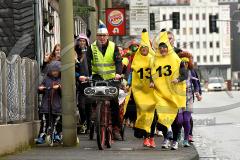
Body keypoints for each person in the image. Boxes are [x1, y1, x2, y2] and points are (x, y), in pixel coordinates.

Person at [151, 30, 187, 149]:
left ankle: (175, 140)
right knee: (162, 116)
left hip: (175, 94)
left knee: (177, 120)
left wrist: (178, 79)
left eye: (164, 47)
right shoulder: (155, 59)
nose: (163, 50)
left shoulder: (177, 57)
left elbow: (184, 74)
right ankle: (167, 138)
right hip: (161, 93)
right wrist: (152, 81)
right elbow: (152, 73)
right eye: (161, 47)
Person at [87, 20, 122, 140]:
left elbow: (118, 62)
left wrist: (118, 73)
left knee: (114, 103)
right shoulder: (91, 47)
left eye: (104, 35)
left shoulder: (113, 47)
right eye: (100, 36)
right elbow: (86, 63)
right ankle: (94, 118)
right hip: (97, 77)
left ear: (108, 36)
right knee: (91, 98)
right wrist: (84, 74)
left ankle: (116, 128)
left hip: (112, 78)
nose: (102, 38)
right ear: (97, 36)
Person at [129, 28, 156, 148]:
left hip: (152, 92)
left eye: (146, 49)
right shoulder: (136, 61)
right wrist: (129, 85)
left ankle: (151, 137)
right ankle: (146, 137)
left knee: (153, 116)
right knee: (144, 115)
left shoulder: (153, 59)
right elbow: (132, 75)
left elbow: (157, 74)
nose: (144, 51)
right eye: (142, 49)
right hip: (140, 93)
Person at [170, 52, 202, 149]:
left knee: (187, 120)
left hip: (189, 98)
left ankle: (186, 139)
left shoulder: (192, 72)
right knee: (179, 120)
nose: (185, 64)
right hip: (178, 98)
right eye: (183, 62)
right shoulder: (176, 71)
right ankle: (178, 133)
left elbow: (196, 84)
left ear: (189, 63)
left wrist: (197, 93)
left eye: (187, 62)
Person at [36, 61, 62, 144]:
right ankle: (42, 135)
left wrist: (59, 87)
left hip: (57, 104)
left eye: (56, 71)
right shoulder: (46, 79)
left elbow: (64, 91)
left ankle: (57, 133)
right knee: (44, 120)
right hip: (46, 104)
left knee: (57, 120)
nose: (55, 73)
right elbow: (41, 87)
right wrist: (40, 88)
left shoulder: (61, 79)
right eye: (53, 71)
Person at [74, 33, 91, 134]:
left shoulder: (90, 52)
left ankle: (88, 125)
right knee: (81, 105)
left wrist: (91, 77)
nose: (82, 42)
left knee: (89, 105)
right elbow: (72, 68)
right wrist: (78, 76)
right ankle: (84, 122)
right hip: (79, 83)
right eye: (80, 41)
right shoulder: (74, 53)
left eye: (84, 41)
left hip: (89, 82)